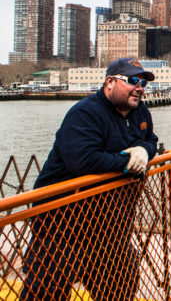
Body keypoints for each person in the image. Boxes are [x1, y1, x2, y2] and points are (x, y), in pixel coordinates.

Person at [23, 58, 159, 301]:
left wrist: (144, 151)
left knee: (120, 288)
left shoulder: (140, 111)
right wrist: (127, 162)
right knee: (46, 292)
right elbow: (83, 160)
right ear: (110, 82)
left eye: (143, 83)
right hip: (62, 224)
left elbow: (150, 139)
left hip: (108, 225)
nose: (140, 87)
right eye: (133, 81)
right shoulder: (85, 113)